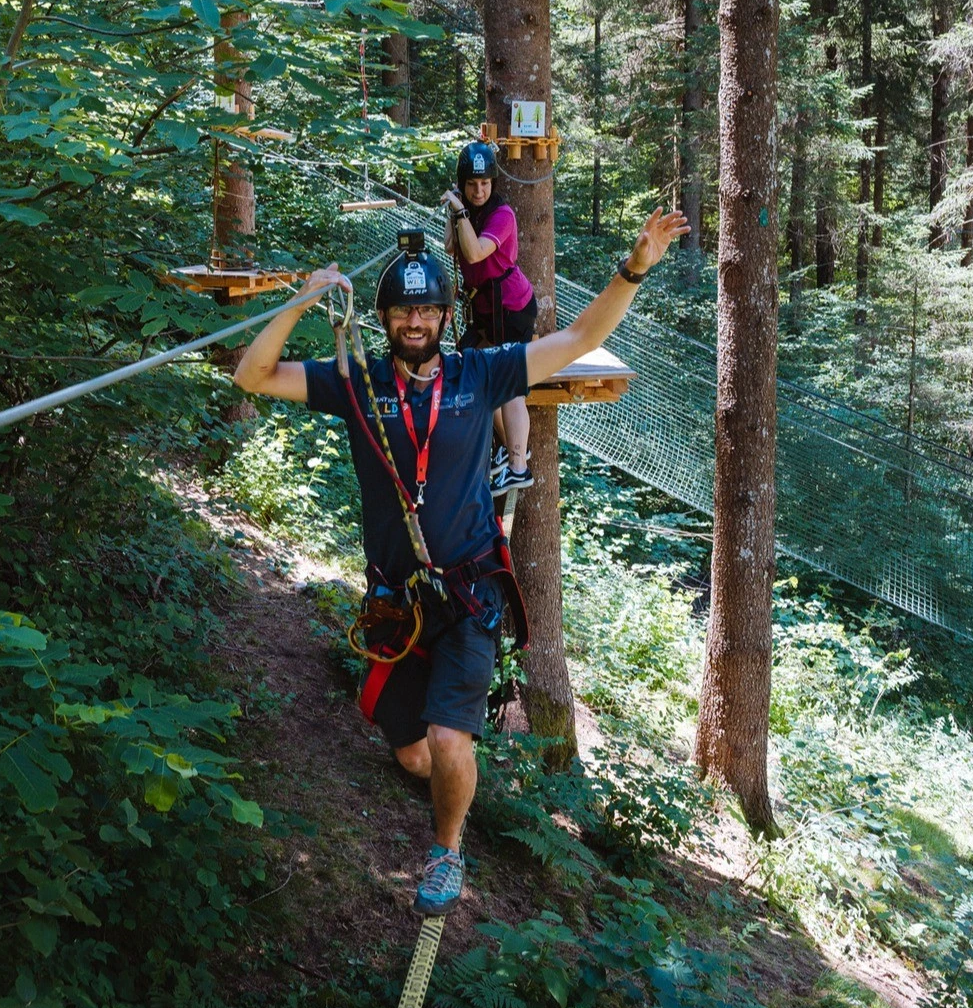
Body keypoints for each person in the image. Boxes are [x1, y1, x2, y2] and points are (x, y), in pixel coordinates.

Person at [230, 206, 691, 917]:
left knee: (450, 737)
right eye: (401, 312)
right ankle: (451, 770)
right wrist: (297, 303)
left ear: (446, 317)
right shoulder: (357, 383)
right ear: (383, 320)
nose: (414, 323)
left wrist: (634, 268)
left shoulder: (481, 373)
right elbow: (252, 376)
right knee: (415, 752)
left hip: (472, 596)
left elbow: (577, 338)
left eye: (427, 311)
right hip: (399, 605)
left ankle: (447, 850)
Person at [444, 140, 537, 492]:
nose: (479, 190)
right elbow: (452, 247)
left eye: (484, 184)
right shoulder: (469, 210)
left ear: (493, 184)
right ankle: (510, 452)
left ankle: (517, 465)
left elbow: (475, 251)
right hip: (486, 311)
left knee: (510, 385)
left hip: (511, 310)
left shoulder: (502, 215)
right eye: (471, 184)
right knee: (476, 372)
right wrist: (452, 213)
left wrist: (461, 212)